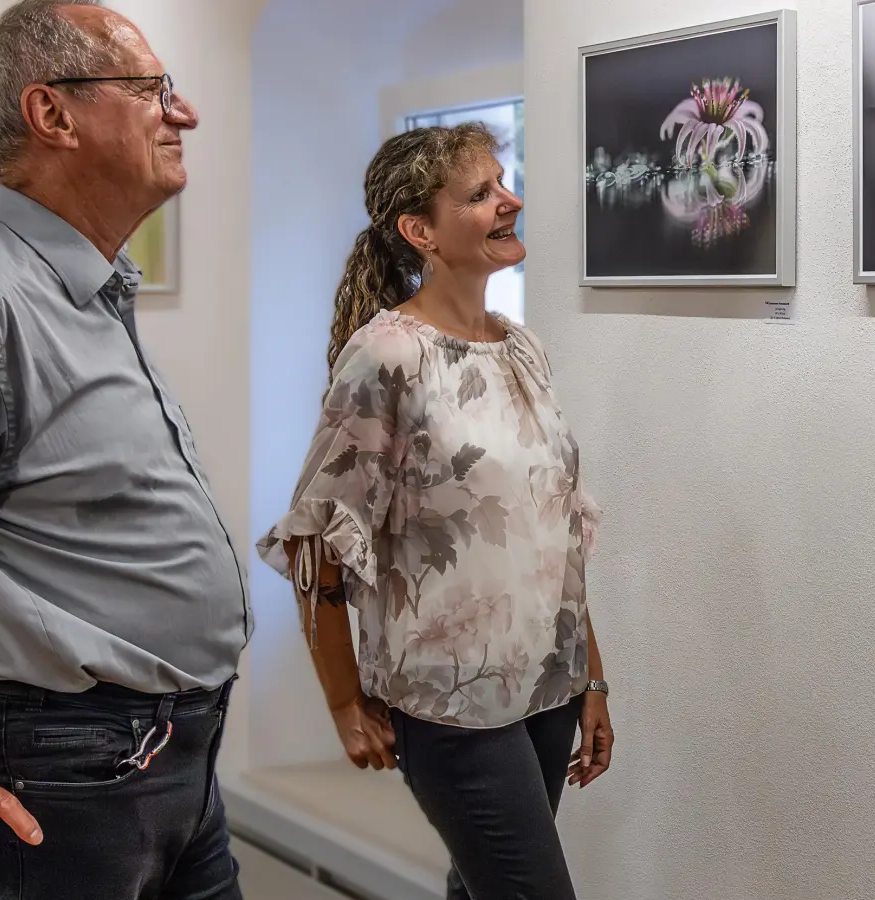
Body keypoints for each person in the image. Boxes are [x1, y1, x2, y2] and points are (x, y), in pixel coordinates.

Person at [0, 2, 250, 898]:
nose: (180, 114)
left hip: (174, 763)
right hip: (57, 779)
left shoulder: (86, 290)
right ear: (54, 116)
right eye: (152, 90)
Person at [256, 123, 614, 900]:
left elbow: (558, 523)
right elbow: (317, 538)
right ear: (421, 231)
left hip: (546, 686)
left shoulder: (523, 348)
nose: (509, 201)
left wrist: (593, 678)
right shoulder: (387, 357)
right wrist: (345, 700)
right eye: (481, 193)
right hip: (448, 704)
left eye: (504, 183)